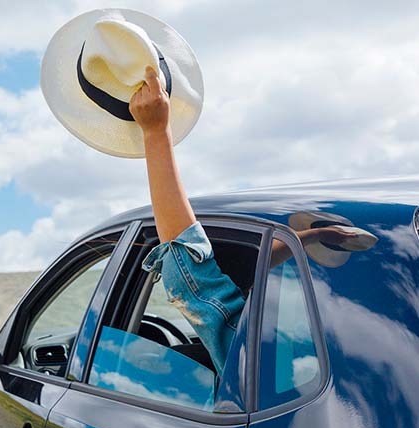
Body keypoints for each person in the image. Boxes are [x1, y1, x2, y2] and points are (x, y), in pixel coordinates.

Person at [129, 66, 356, 376]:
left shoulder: (256, 360)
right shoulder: (348, 349)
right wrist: (311, 236)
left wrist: (155, 133)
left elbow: (189, 275)